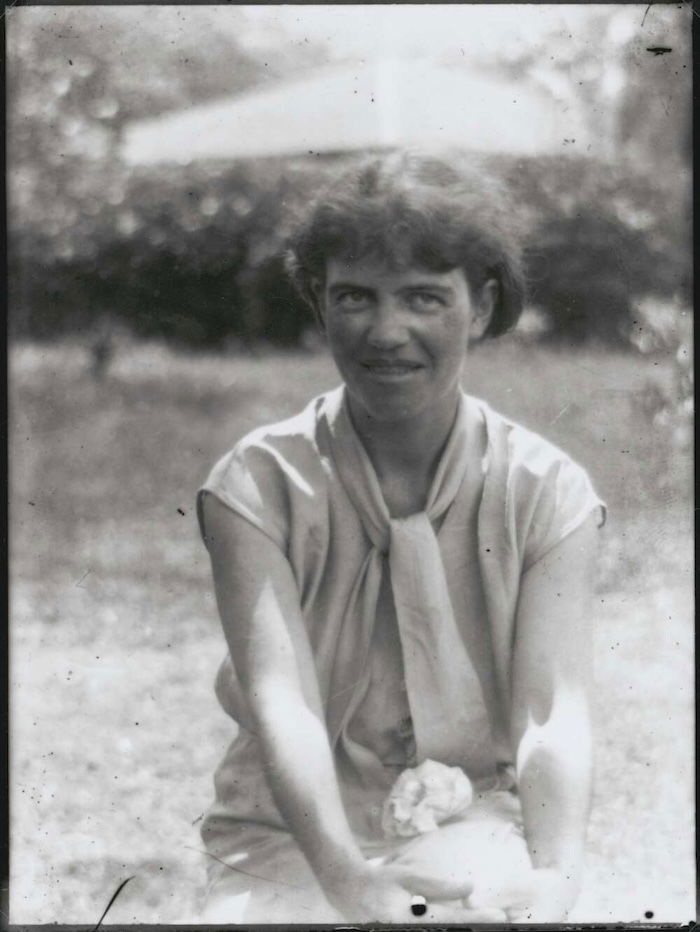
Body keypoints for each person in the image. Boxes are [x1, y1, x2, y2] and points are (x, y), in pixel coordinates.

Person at [196, 150, 605, 923]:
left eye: (423, 298)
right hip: (290, 832)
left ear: (480, 308)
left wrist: (556, 878)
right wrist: (350, 883)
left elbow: (551, 715)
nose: (387, 332)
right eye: (355, 296)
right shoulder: (255, 485)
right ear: (319, 301)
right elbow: (287, 708)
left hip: (469, 814)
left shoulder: (547, 491)